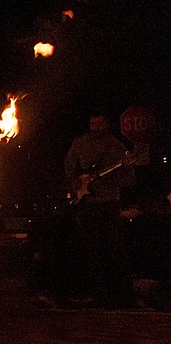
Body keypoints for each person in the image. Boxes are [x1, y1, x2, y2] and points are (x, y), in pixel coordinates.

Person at [64, 112, 134, 305]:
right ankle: (96, 291)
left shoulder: (116, 146)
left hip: (109, 202)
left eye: (99, 123)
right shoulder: (79, 144)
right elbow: (70, 168)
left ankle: (123, 292)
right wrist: (76, 183)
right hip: (89, 204)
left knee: (115, 248)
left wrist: (108, 179)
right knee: (91, 250)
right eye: (92, 123)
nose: (95, 126)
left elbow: (129, 178)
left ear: (107, 124)